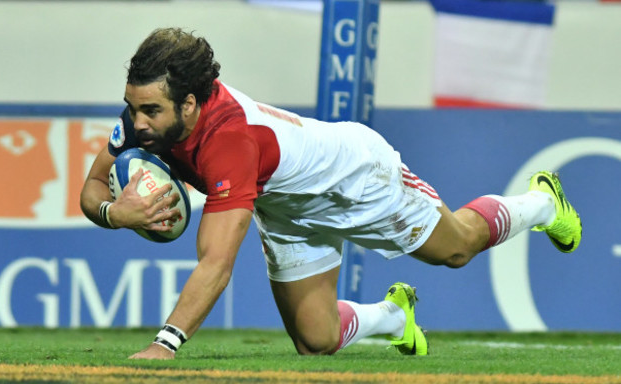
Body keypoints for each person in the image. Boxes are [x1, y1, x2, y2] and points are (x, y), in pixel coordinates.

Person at [80, 28, 582, 359]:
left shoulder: (228, 143)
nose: (136, 121)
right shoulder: (146, 120)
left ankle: (542, 202)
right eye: (132, 106)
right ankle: (393, 316)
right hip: (287, 208)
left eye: (150, 110)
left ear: (188, 103)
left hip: (356, 180)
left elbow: (216, 263)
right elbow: (92, 186)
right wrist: (113, 213)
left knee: (456, 249)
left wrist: (165, 345)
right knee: (315, 341)